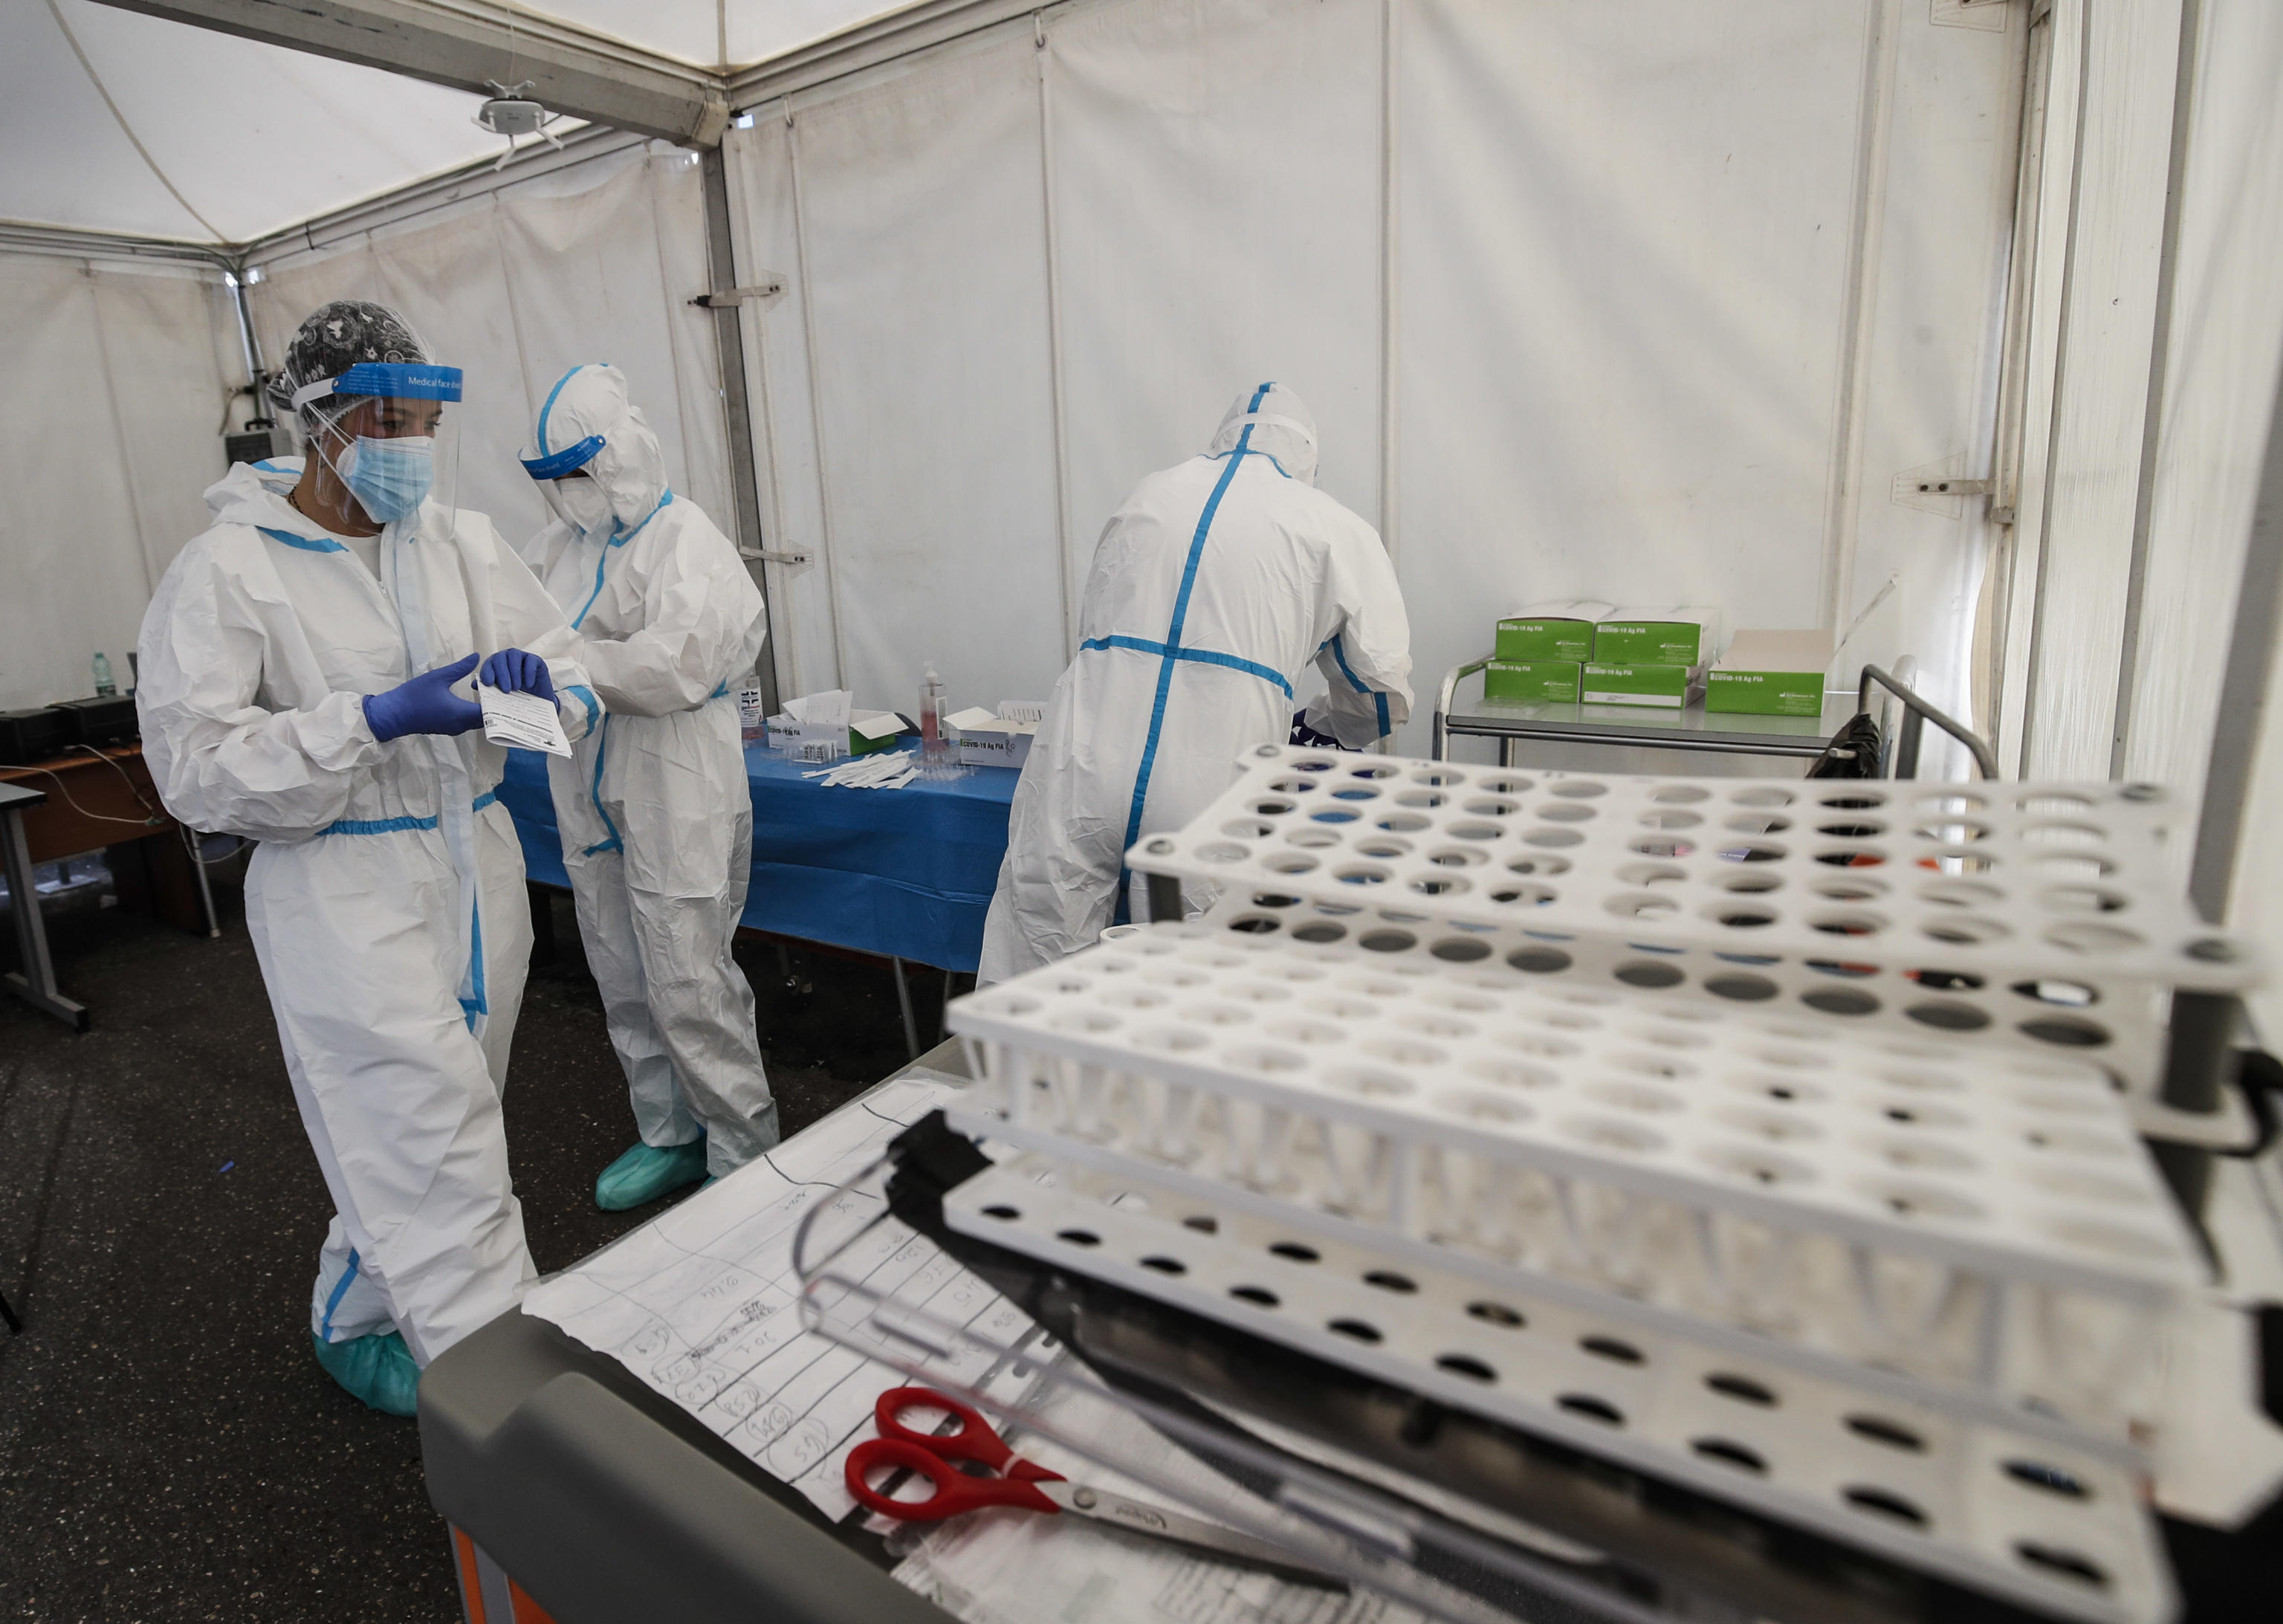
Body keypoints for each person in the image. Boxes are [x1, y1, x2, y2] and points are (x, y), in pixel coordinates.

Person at [137, 302, 599, 1416]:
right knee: (429, 1147)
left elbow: (572, 685)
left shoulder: (462, 542)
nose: (408, 446)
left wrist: (541, 701)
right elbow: (196, 775)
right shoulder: (228, 571)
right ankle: (526, 1427)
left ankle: (352, 1308)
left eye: (422, 422)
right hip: (341, 887)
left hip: (476, 869)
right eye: (383, 419)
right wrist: (372, 720)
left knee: (445, 1118)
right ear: (316, 418)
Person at [979, 383, 1412, 983]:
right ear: (1309, 457)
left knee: (1041, 962)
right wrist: (1320, 722)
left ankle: (1035, 1076)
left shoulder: (1149, 493)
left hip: (1079, 761)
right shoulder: (1334, 527)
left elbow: (1098, 622)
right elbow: (1382, 699)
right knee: (1188, 987)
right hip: (1210, 776)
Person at [516, 363, 778, 1210]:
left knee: (686, 969)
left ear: (622, 456)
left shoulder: (684, 538)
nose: (571, 495)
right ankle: (668, 1133)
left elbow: (679, 663)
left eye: (582, 474)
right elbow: (515, 634)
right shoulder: (555, 548)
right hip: (580, 769)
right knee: (619, 964)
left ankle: (744, 1147)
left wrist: (570, 662)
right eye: (557, 480)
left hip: (673, 772)